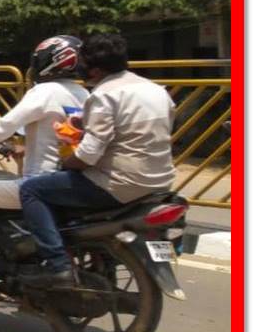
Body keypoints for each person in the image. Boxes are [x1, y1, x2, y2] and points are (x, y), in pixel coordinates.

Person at [18, 33, 177, 288]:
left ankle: (58, 265)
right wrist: (85, 124)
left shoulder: (104, 95)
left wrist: (64, 164)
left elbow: (88, 155)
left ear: (95, 68)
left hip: (118, 183)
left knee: (32, 190)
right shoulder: (156, 90)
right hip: (160, 182)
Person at [0, 35, 89, 289]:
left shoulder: (44, 92)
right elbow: (51, 134)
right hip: (70, 180)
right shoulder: (83, 93)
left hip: (40, 182)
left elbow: (3, 126)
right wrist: (18, 146)